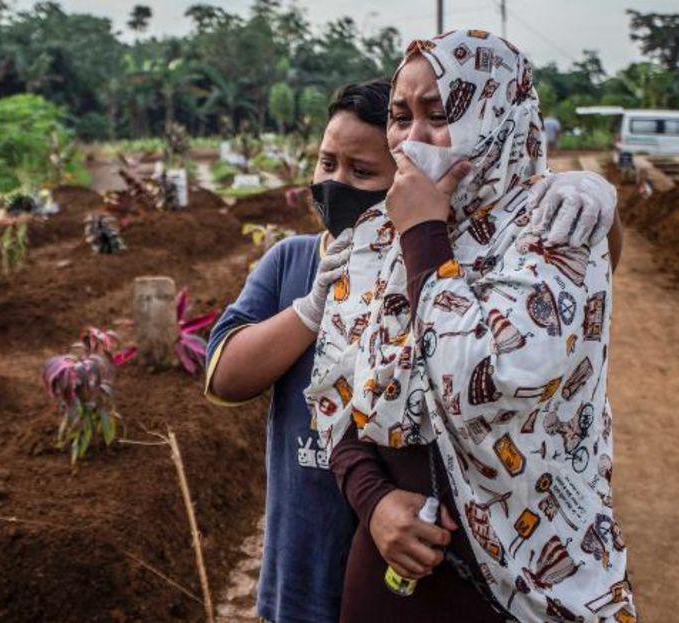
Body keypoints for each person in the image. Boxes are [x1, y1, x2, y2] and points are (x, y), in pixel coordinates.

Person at [205, 78, 618, 621]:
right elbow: (224, 379)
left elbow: (575, 286)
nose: (335, 182)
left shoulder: (448, 270)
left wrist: (600, 202)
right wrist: (311, 310)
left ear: (408, 173)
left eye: (361, 172)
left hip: (409, 581)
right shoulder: (292, 261)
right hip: (303, 573)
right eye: (326, 163)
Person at [307, 30, 636, 622]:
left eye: (440, 115)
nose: (412, 139)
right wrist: (374, 502)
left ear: (499, 116)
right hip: (392, 571)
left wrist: (424, 237)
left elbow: (482, 384)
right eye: (401, 117)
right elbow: (337, 392)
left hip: (526, 575)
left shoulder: (555, 225)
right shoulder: (374, 239)